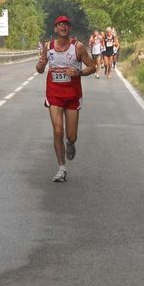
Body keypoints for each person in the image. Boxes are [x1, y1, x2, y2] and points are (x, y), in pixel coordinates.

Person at [36, 15, 96, 182]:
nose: (63, 27)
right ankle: (61, 168)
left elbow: (92, 67)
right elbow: (40, 69)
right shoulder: (48, 47)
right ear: (55, 29)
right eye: (60, 24)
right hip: (54, 93)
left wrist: (79, 72)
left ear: (69, 29)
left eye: (66, 25)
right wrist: (40, 66)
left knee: (71, 135)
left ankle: (71, 143)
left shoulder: (78, 47)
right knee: (57, 131)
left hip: (72, 95)